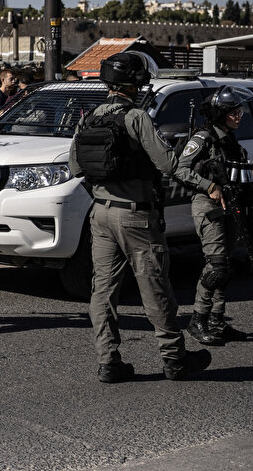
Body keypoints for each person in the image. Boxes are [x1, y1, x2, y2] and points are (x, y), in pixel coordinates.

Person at [69, 51, 212, 382]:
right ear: (133, 83)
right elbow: (169, 165)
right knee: (155, 286)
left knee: (102, 291)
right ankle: (175, 358)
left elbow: (75, 167)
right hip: (135, 217)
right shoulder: (136, 118)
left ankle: (109, 362)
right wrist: (208, 185)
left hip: (100, 215)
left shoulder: (88, 118)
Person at [176, 85, 253, 346]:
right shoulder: (203, 138)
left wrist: (252, 199)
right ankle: (197, 320)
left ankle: (217, 320)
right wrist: (209, 186)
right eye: (234, 111)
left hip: (231, 206)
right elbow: (180, 169)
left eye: (240, 111)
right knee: (216, 266)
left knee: (227, 266)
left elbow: (240, 175)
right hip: (208, 206)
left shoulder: (231, 141)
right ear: (220, 113)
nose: (239, 115)